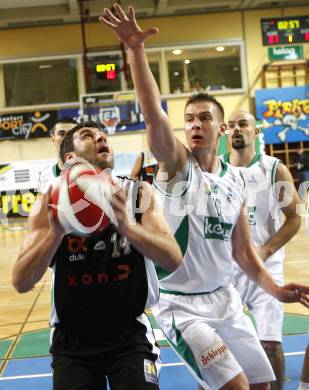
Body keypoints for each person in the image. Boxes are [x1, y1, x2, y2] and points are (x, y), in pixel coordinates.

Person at [100, 5, 309, 390]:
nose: (195, 124)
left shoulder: (237, 181)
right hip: (181, 305)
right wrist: (135, 49)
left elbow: (244, 254)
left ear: (222, 127)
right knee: (236, 387)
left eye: (204, 118)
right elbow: (152, 114)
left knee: (263, 385)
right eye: (190, 119)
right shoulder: (177, 165)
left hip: (225, 300)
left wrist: (276, 289)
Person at [12, 121, 183, 390]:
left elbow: (173, 259)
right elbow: (21, 281)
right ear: (70, 157)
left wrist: (127, 227)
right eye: (88, 136)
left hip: (129, 333)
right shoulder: (50, 200)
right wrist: (54, 234)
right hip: (72, 339)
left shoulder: (138, 194)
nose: (100, 138)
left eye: (103, 135)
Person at [224, 109, 301, 390]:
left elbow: (294, 219)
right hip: (227, 267)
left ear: (256, 132)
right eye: (231, 125)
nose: (236, 130)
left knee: (270, 343)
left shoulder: (273, 169)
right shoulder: (216, 171)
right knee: (217, 349)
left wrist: (266, 250)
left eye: (243, 124)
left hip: (266, 266)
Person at [38, 117, 78, 193]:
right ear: (53, 138)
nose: (67, 138)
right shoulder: (44, 177)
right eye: (62, 134)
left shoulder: (91, 173)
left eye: (72, 134)